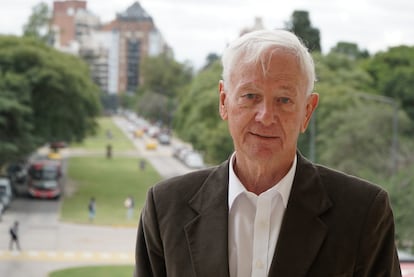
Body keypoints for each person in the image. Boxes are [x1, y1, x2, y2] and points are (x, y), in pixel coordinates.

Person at [134, 29, 401, 276]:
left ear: (307, 111)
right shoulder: (166, 208)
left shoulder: (364, 213)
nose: (266, 116)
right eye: (250, 96)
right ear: (224, 101)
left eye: (284, 100)